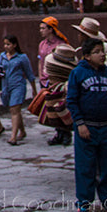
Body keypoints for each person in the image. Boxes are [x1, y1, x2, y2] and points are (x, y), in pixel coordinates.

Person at [66, 36, 107, 212]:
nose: (102, 55)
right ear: (87, 56)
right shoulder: (78, 74)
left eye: (102, 51)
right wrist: (80, 123)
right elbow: (72, 101)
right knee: (85, 168)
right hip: (86, 128)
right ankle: (84, 203)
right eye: (96, 52)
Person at [0, 34, 37, 146]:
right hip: (6, 86)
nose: (6, 46)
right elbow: (0, 71)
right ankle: (22, 130)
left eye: (8, 44)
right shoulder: (2, 56)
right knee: (13, 109)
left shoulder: (22, 58)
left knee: (14, 109)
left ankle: (13, 136)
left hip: (18, 85)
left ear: (15, 45)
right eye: (5, 44)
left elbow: (29, 74)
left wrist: (34, 89)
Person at [38, 16, 72, 146]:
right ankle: (59, 133)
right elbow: (40, 61)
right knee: (51, 110)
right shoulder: (42, 44)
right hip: (45, 81)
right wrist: (41, 76)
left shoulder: (61, 45)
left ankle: (66, 133)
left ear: (50, 29)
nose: (41, 31)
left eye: (43, 28)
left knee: (61, 108)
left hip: (58, 81)